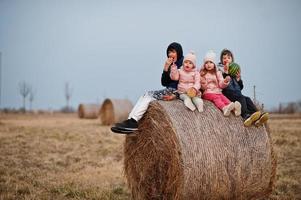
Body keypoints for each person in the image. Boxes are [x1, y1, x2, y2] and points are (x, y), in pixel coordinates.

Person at [111, 42, 184, 134]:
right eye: (169, 52)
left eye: (173, 52)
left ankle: (133, 122)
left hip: (175, 91)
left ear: (179, 52)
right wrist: (165, 68)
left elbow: (187, 83)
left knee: (149, 96)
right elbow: (164, 83)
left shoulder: (184, 64)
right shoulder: (171, 65)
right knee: (145, 95)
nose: (170, 54)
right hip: (168, 89)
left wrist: (176, 95)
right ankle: (131, 120)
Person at [219, 48, 269, 126]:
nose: (227, 60)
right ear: (221, 60)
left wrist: (239, 79)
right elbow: (222, 82)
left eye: (229, 58)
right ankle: (245, 115)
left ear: (232, 59)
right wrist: (226, 72)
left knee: (247, 98)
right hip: (228, 95)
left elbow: (240, 87)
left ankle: (257, 115)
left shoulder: (234, 72)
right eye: (224, 58)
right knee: (241, 98)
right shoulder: (220, 70)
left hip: (237, 93)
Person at [200, 50, 241, 116]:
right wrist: (203, 83)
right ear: (204, 64)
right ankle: (224, 108)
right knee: (217, 98)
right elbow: (202, 87)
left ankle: (234, 109)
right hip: (208, 93)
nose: (208, 64)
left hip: (218, 92)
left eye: (211, 62)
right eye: (206, 63)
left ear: (214, 64)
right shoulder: (202, 73)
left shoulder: (217, 73)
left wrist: (225, 81)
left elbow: (221, 84)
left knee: (224, 98)